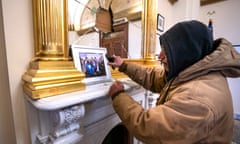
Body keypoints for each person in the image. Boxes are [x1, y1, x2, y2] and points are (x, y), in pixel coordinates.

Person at [107, 20, 240, 144]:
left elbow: (147, 126)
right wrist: (123, 65)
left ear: (185, 52)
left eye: (167, 50)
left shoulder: (197, 98)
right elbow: (153, 77)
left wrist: (118, 96)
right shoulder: (192, 71)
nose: (160, 56)